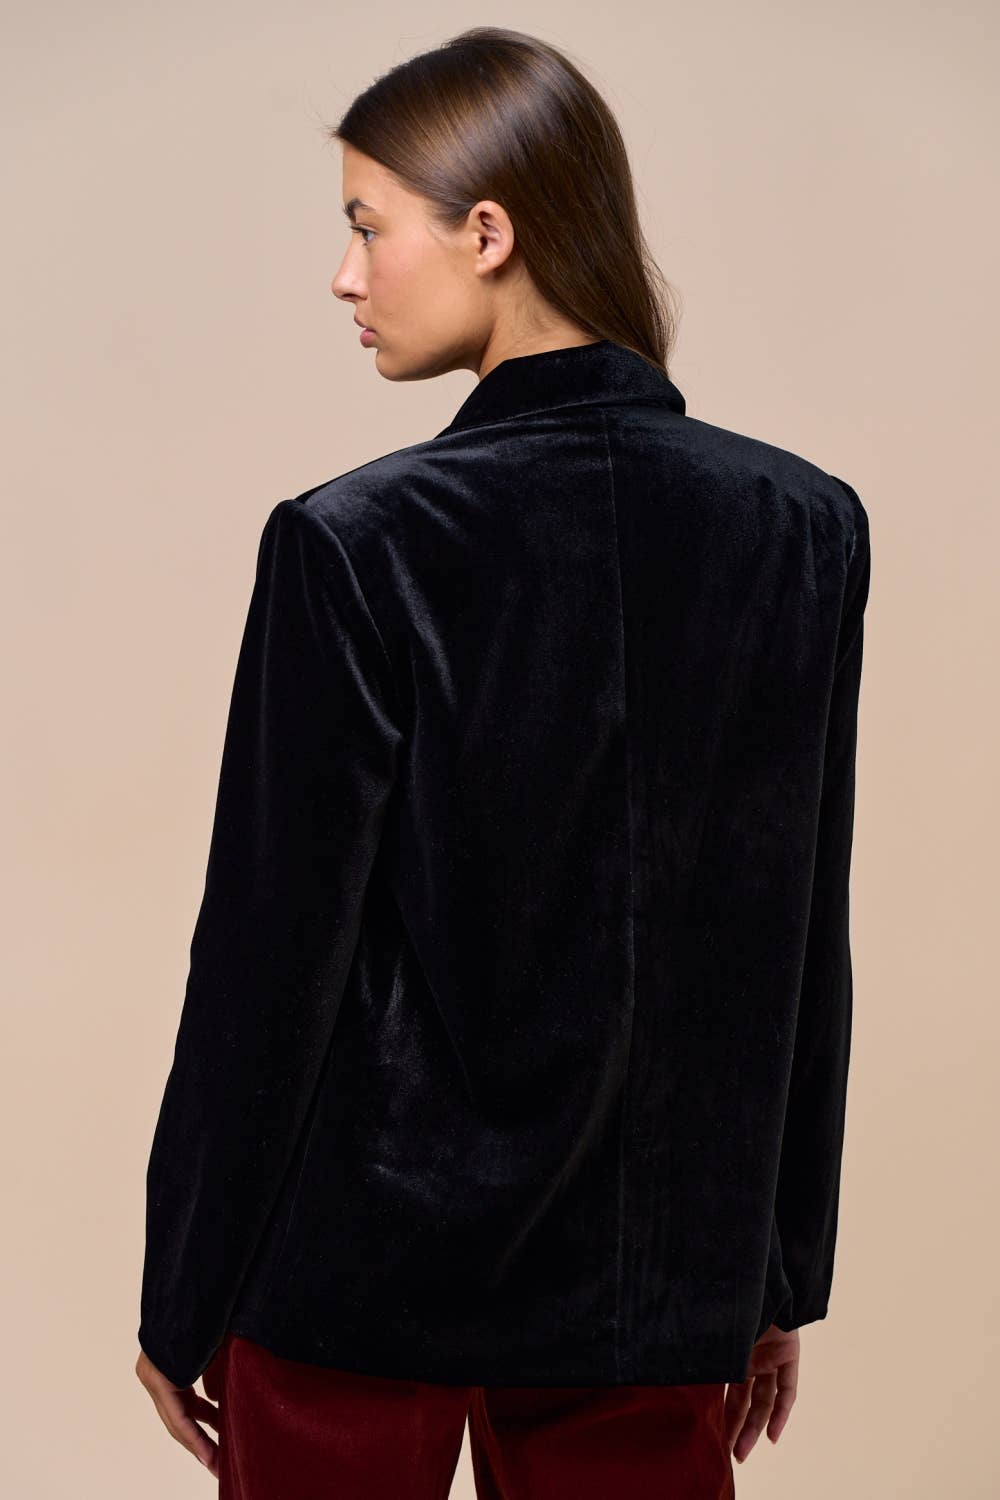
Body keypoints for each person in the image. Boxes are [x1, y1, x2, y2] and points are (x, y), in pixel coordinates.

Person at [135, 26, 871, 1499]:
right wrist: (772, 1270)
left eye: (366, 226)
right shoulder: (802, 527)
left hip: (353, 1281)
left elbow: (271, 954)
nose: (344, 276)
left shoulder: (354, 542)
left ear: (488, 231)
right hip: (652, 1277)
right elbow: (793, 927)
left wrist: (183, 1288)